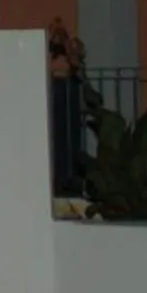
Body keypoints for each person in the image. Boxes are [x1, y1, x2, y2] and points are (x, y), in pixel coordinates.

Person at [45, 17, 85, 195]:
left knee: (68, 140)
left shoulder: (71, 49)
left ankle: (70, 180)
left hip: (66, 93)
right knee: (58, 140)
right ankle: (61, 180)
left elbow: (77, 66)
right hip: (57, 94)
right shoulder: (48, 52)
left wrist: (70, 50)